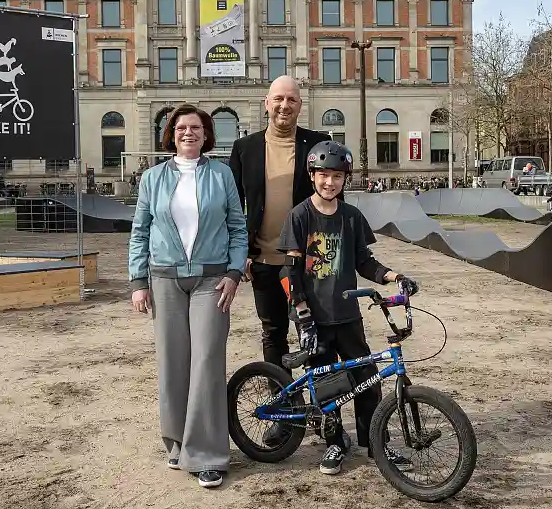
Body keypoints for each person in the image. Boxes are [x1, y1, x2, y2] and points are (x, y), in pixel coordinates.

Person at [278, 140, 419, 475]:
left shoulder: (351, 217)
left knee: (366, 380)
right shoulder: (300, 216)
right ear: (312, 175)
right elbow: (289, 272)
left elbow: (364, 262)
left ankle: (376, 443)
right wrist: (302, 313)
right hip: (314, 318)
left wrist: (394, 276)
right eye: (324, 175)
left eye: (337, 176)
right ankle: (334, 444)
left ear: (346, 179)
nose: (330, 182)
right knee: (328, 386)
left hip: (348, 316)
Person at [128, 104, 248, 490]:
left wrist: (233, 272)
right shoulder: (152, 177)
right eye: (181, 128)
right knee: (173, 363)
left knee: (208, 362)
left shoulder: (222, 174)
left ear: (206, 134)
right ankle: (177, 442)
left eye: (196, 127)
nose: (188, 133)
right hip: (164, 280)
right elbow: (140, 231)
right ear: (171, 134)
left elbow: (237, 227)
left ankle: (208, 455)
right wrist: (138, 281)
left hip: (211, 280)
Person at [228, 74, 339, 446]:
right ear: (266, 102)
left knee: (316, 335)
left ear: (299, 105)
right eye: (278, 99)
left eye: (291, 99)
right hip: (263, 260)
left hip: (308, 263)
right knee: (273, 334)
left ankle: (328, 414)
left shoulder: (316, 145)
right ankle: (287, 410)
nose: (284, 106)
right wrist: (239, 252)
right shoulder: (244, 148)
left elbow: (330, 201)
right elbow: (233, 208)